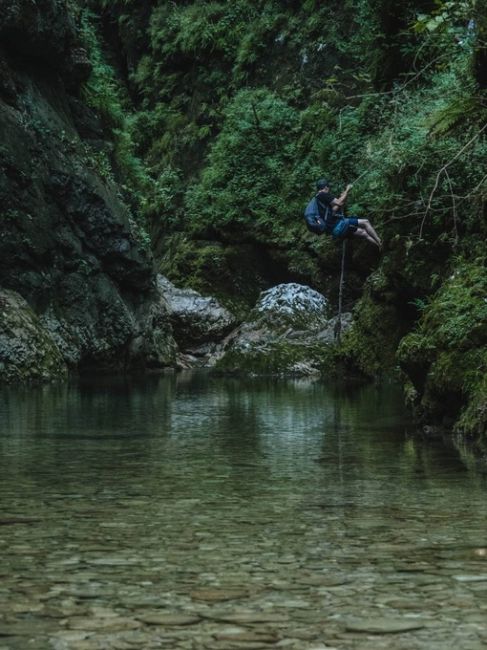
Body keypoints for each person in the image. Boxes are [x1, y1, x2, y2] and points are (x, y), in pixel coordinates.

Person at [307, 178, 382, 247]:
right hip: (339, 225)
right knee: (366, 222)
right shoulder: (322, 194)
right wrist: (347, 190)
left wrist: (345, 195)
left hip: (335, 231)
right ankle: (379, 241)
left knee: (363, 233)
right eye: (328, 188)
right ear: (326, 187)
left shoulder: (318, 200)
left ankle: (379, 246)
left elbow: (335, 208)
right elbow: (339, 202)